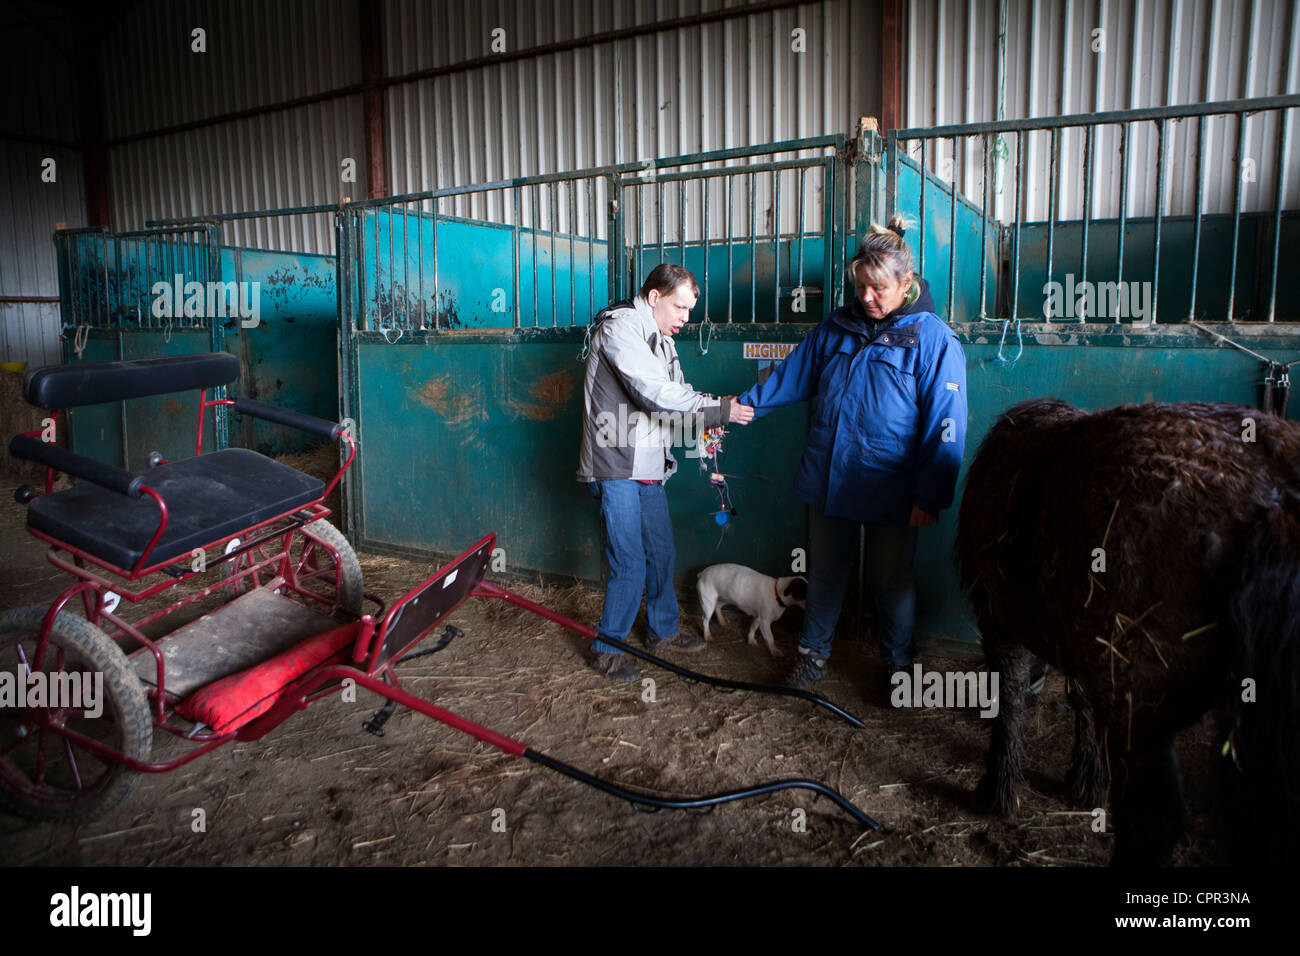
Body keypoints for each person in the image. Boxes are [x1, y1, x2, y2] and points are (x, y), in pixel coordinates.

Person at [735, 216, 967, 694]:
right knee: (824, 574)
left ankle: (899, 670)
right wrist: (740, 407)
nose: (866, 297)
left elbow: (946, 424)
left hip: (891, 485)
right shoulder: (835, 327)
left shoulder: (933, 338)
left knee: (891, 581)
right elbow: (790, 376)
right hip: (829, 477)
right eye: (860, 285)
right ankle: (811, 658)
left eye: (878, 288)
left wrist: (930, 495)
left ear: (907, 283)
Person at [577, 264, 754, 681]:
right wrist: (720, 410)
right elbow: (655, 395)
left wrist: (713, 405)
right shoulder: (621, 329)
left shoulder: (663, 340)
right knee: (629, 562)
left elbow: (680, 394)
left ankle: (662, 631)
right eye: (680, 307)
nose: (685, 319)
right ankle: (608, 648)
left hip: (648, 462)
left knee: (662, 552)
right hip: (616, 460)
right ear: (655, 297)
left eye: (690, 311)